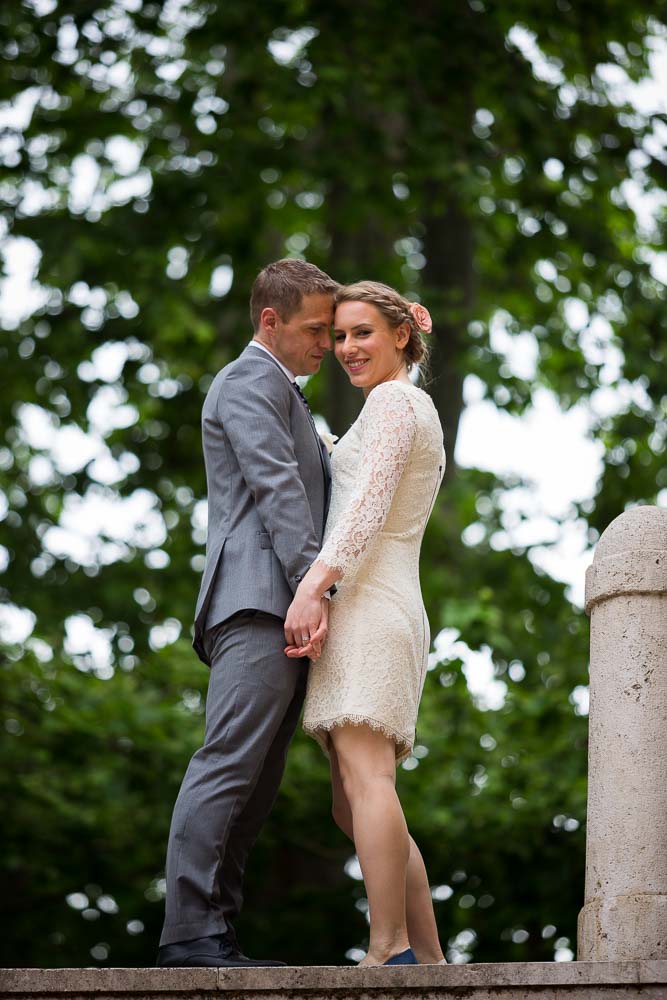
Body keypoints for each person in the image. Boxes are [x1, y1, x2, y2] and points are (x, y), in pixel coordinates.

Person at [157, 259, 338, 968]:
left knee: (256, 785)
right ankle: (189, 932)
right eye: (313, 330)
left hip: (280, 603)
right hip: (262, 601)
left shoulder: (284, 391)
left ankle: (213, 933)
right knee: (228, 767)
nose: (323, 344)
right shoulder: (247, 382)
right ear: (271, 321)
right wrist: (310, 590)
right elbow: (277, 489)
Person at [284, 281, 447, 966]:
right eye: (339, 336)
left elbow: (366, 507)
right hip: (383, 604)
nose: (346, 348)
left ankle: (390, 947)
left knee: (366, 779)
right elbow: (353, 476)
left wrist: (312, 588)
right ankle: (429, 958)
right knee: (353, 800)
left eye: (361, 334)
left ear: (402, 335)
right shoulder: (402, 409)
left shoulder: (393, 400)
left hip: (370, 605)